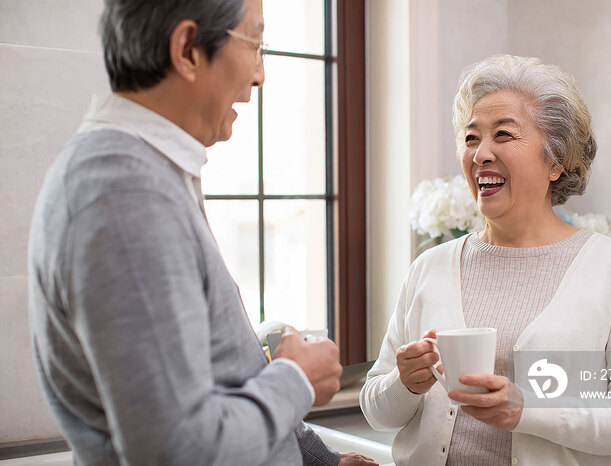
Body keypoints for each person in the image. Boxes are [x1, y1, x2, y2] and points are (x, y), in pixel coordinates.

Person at [27, 0, 376, 465]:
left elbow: (215, 386)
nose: (260, 75)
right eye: (255, 43)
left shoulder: (145, 176)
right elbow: (176, 449)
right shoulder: (126, 196)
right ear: (188, 49)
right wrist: (295, 380)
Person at [360, 54, 611, 466]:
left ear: (556, 161)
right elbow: (376, 411)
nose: (480, 154)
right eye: (471, 138)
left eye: (503, 135)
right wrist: (404, 383)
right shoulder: (429, 267)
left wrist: (528, 410)